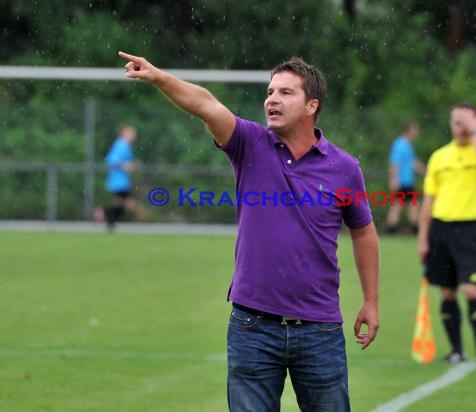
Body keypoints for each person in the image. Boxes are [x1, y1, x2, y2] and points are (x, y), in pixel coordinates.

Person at [118, 51, 380, 411]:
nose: (272, 99)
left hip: (319, 330)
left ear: (311, 106)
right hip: (252, 326)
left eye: (286, 93)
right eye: (270, 92)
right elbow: (206, 105)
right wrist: (159, 77)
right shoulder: (249, 143)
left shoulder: (344, 168)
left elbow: (363, 232)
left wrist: (370, 300)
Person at [417, 103, 476, 366]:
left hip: (469, 228)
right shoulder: (439, 157)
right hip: (440, 228)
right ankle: (456, 350)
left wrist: (475, 128)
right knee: (447, 292)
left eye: (465, 122)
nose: (460, 127)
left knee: (470, 289)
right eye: (456, 122)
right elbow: (429, 200)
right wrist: (423, 238)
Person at [96, 124, 143, 230]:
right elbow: (112, 160)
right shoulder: (121, 145)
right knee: (126, 203)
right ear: (123, 133)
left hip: (123, 180)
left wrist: (132, 165)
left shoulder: (125, 145)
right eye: (131, 133)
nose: (133, 136)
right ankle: (103, 212)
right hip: (118, 180)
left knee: (120, 205)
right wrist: (129, 166)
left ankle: (109, 222)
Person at [386, 122, 425, 234]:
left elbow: (412, 162)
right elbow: (395, 163)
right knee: (403, 206)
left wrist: (426, 171)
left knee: (408, 205)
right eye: (415, 130)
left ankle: (393, 229)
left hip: (407, 181)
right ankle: (410, 229)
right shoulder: (400, 145)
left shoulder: (408, 145)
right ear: (408, 130)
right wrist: (393, 179)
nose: (417, 133)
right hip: (402, 181)